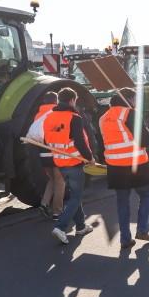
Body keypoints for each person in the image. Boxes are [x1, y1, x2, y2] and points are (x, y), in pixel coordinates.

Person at [99, 91, 149, 250]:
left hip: (115, 167)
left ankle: (125, 239)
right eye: (135, 99)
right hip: (136, 164)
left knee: (122, 202)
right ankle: (142, 230)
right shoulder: (130, 114)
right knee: (146, 194)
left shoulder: (103, 118)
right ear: (128, 99)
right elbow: (144, 140)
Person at [45, 87, 96, 244]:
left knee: (75, 195)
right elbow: (80, 142)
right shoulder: (74, 118)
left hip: (59, 162)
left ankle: (81, 226)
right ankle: (60, 227)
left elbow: (48, 141)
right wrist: (90, 157)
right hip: (74, 162)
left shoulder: (49, 118)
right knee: (76, 196)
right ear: (72, 100)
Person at [26, 91, 64, 220]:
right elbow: (60, 132)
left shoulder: (39, 115)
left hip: (43, 154)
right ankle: (57, 212)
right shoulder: (57, 113)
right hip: (56, 152)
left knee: (52, 180)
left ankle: (44, 203)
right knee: (60, 181)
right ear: (56, 101)